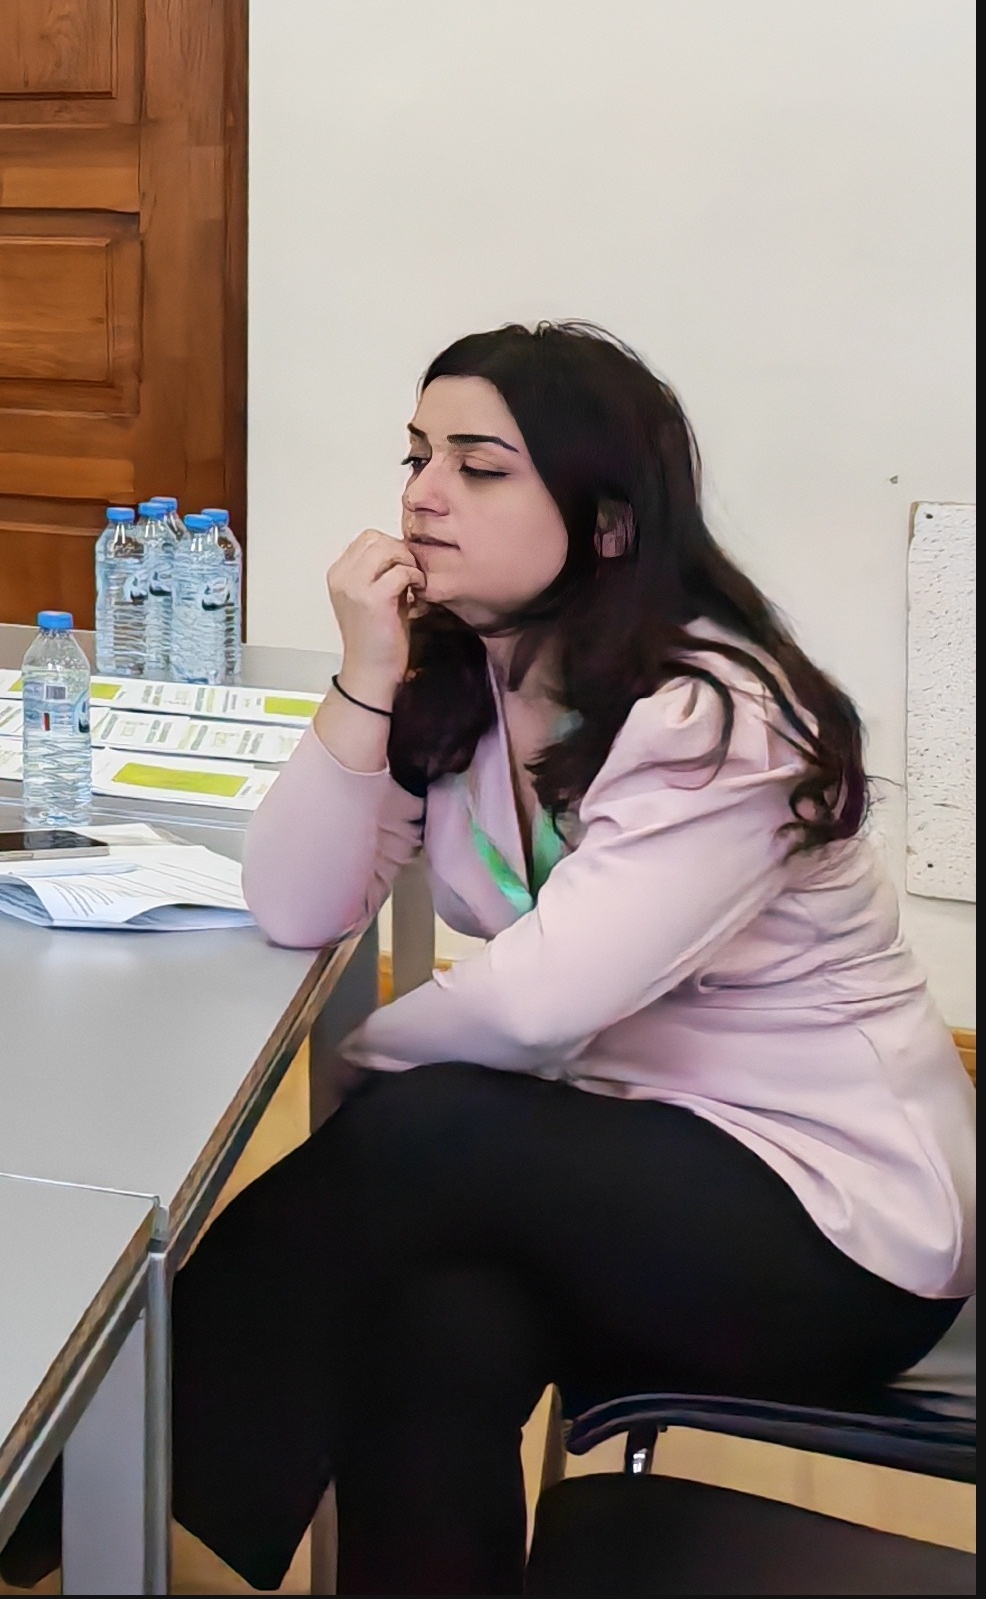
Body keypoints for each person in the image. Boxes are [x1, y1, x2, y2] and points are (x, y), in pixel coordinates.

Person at [166, 324, 971, 1594]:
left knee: (427, 1133)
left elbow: (543, 1002)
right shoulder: (467, 684)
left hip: (835, 1228)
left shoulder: (717, 716)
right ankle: (131, 1491)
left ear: (605, 523)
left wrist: (374, 1071)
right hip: (626, 1168)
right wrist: (366, 672)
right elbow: (296, 901)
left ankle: (109, 1488)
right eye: (418, 456)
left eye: (480, 467)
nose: (425, 494)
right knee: (439, 1316)